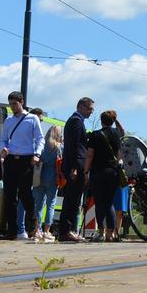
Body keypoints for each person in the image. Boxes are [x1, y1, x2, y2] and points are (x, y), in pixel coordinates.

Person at [0, 91, 44, 241]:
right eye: (11, 104)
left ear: (22, 102)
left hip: (27, 160)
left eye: (15, 104)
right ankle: (11, 231)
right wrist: (4, 148)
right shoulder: (8, 121)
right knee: (9, 195)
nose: (12, 107)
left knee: (25, 194)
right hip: (11, 159)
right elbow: (4, 139)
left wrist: (37, 154)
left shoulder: (32, 119)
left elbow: (40, 139)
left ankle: (32, 226)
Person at [58, 97, 93, 242]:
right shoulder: (76, 122)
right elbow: (73, 146)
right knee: (72, 200)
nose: (91, 112)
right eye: (89, 108)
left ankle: (69, 230)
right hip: (76, 165)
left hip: (76, 164)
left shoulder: (76, 121)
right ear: (80, 106)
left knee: (73, 199)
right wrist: (74, 167)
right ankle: (66, 231)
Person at [85, 110, 124, 242]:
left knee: (99, 202)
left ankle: (101, 232)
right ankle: (110, 234)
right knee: (109, 202)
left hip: (98, 172)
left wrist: (86, 171)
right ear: (113, 121)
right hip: (113, 172)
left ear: (101, 120)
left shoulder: (95, 135)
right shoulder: (116, 134)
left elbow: (90, 155)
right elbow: (119, 155)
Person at [32, 124, 62, 242]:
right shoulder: (59, 147)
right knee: (51, 205)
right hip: (53, 178)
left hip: (39, 178)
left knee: (38, 205)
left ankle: (37, 230)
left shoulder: (40, 146)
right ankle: (47, 231)